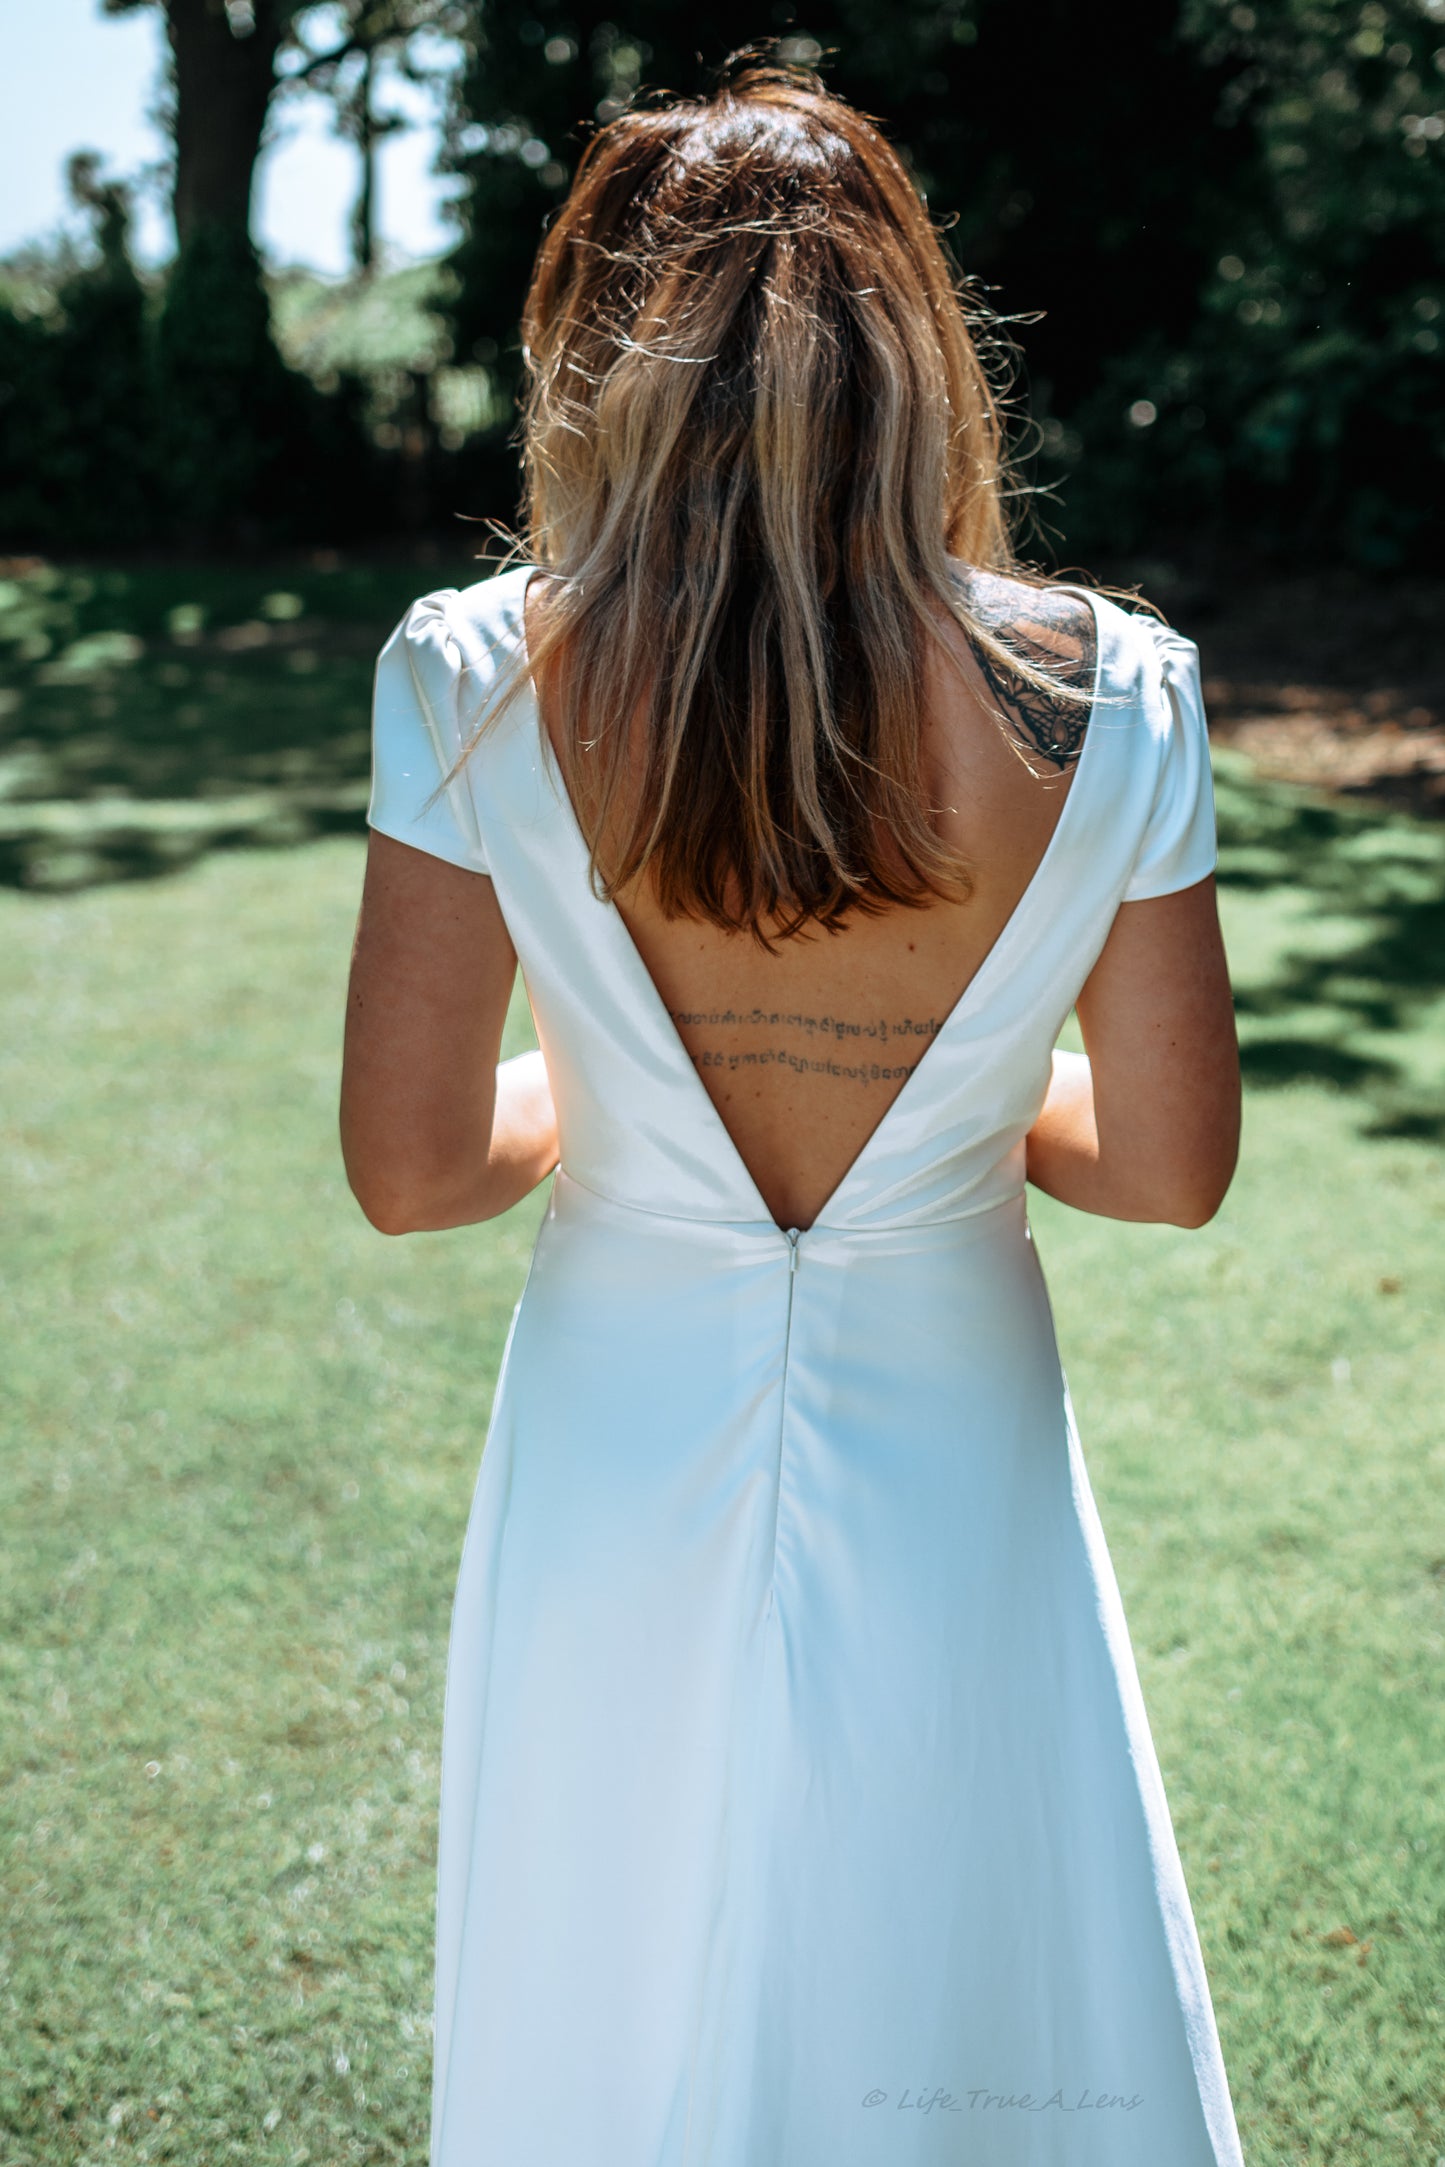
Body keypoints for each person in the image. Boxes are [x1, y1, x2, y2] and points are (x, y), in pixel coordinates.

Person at [339, 63, 1245, 2167]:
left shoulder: (474, 670)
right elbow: (1175, 1168)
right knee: (956, 1955)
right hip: (957, 1427)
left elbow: (409, 1173)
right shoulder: (1112, 688)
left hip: (615, 1432)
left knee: (619, 1975)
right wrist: (958, 1104)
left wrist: (612, 1084)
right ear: (922, 349)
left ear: (602, 356)